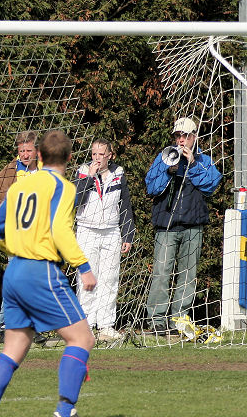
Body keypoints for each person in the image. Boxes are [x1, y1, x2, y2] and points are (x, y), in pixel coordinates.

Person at [0, 129, 101, 417]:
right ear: (70, 159)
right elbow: (60, 230)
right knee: (82, 339)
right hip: (41, 272)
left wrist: (15, 250)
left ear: (40, 156)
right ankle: (65, 413)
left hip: (15, 272)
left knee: (15, 346)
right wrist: (83, 267)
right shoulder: (64, 187)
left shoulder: (22, 184)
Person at [144, 117, 222, 335]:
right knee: (161, 273)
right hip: (166, 226)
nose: (180, 140)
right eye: (177, 136)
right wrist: (169, 172)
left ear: (194, 137)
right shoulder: (164, 158)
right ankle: (157, 320)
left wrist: (193, 166)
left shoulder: (204, 161)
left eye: (185, 136)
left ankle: (178, 319)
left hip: (193, 226)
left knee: (187, 275)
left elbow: (211, 185)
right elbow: (151, 187)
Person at [74, 137, 135, 340]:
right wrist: (88, 177)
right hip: (87, 230)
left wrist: (128, 233)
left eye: (101, 154)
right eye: (94, 154)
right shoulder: (83, 171)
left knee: (109, 279)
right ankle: (86, 326)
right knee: (87, 280)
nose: (97, 158)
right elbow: (75, 200)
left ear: (110, 155)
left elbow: (125, 205)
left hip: (111, 232)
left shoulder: (118, 173)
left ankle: (106, 325)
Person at [0, 130, 44, 343]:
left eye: (29, 150)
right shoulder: (6, 174)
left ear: (36, 151)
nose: (25, 154)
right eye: (21, 151)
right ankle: (6, 325)